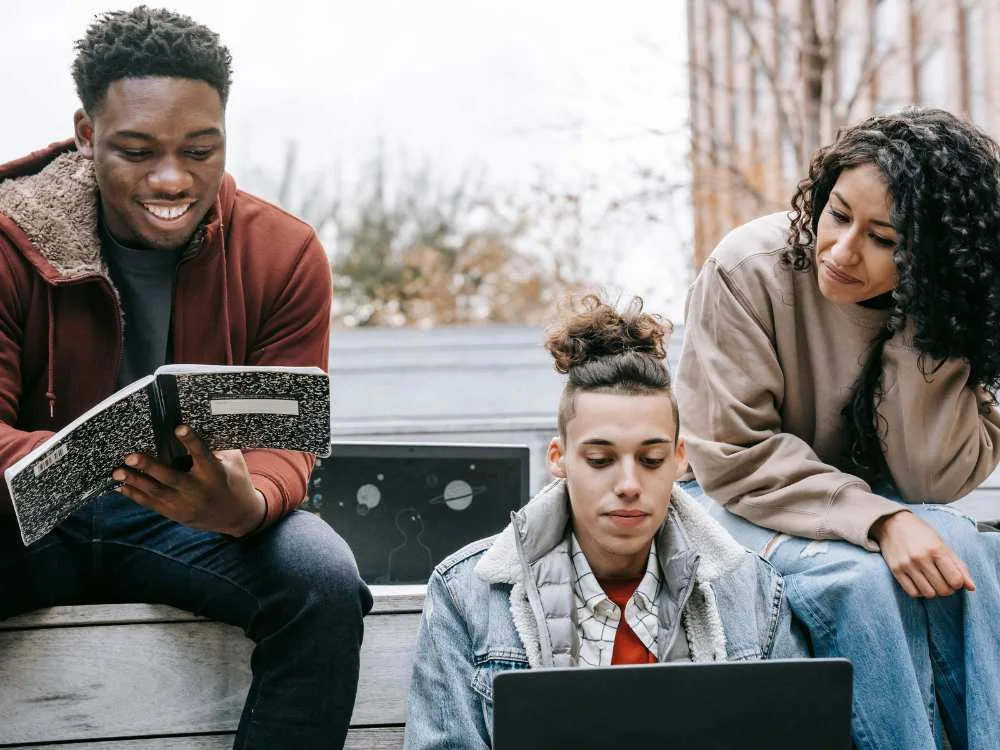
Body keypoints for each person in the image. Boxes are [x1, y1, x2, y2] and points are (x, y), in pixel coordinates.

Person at [0, 7, 371, 749]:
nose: (172, 178)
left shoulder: (284, 254)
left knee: (323, 579)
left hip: (193, 519)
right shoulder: (9, 237)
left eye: (201, 150)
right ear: (85, 134)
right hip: (30, 521)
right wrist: (74, 467)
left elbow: (288, 431)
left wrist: (247, 503)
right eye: (136, 151)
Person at [676, 107, 1000, 750]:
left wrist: (921, 328)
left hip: (876, 504)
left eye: (885, 239)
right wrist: (879, 520)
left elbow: (930, 479)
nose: (843, 252)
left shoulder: (942, 304)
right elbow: (734, 456)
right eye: (839, 214)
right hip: (737, 500)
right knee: (864, 585)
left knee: (971, 552)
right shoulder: (748, 268)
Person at [403, 294, 805, 750]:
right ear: (560, 460)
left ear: (678, 461)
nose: (629, 483)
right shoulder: (467, 593)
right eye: (600, 459)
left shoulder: (753, 590)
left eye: (651, 460)